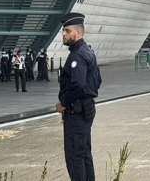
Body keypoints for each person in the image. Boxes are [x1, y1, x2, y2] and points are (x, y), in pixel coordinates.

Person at [55, 12, 101, 181]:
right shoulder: (88, 51)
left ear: (78, 33)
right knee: (84, 155)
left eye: (67, 31)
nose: (63, 34)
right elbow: (97, 81)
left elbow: (78, 85)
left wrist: (64, 104)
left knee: (74, 157)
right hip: (86, 110)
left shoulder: (77, 56)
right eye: (63, 30)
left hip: (76, 112)